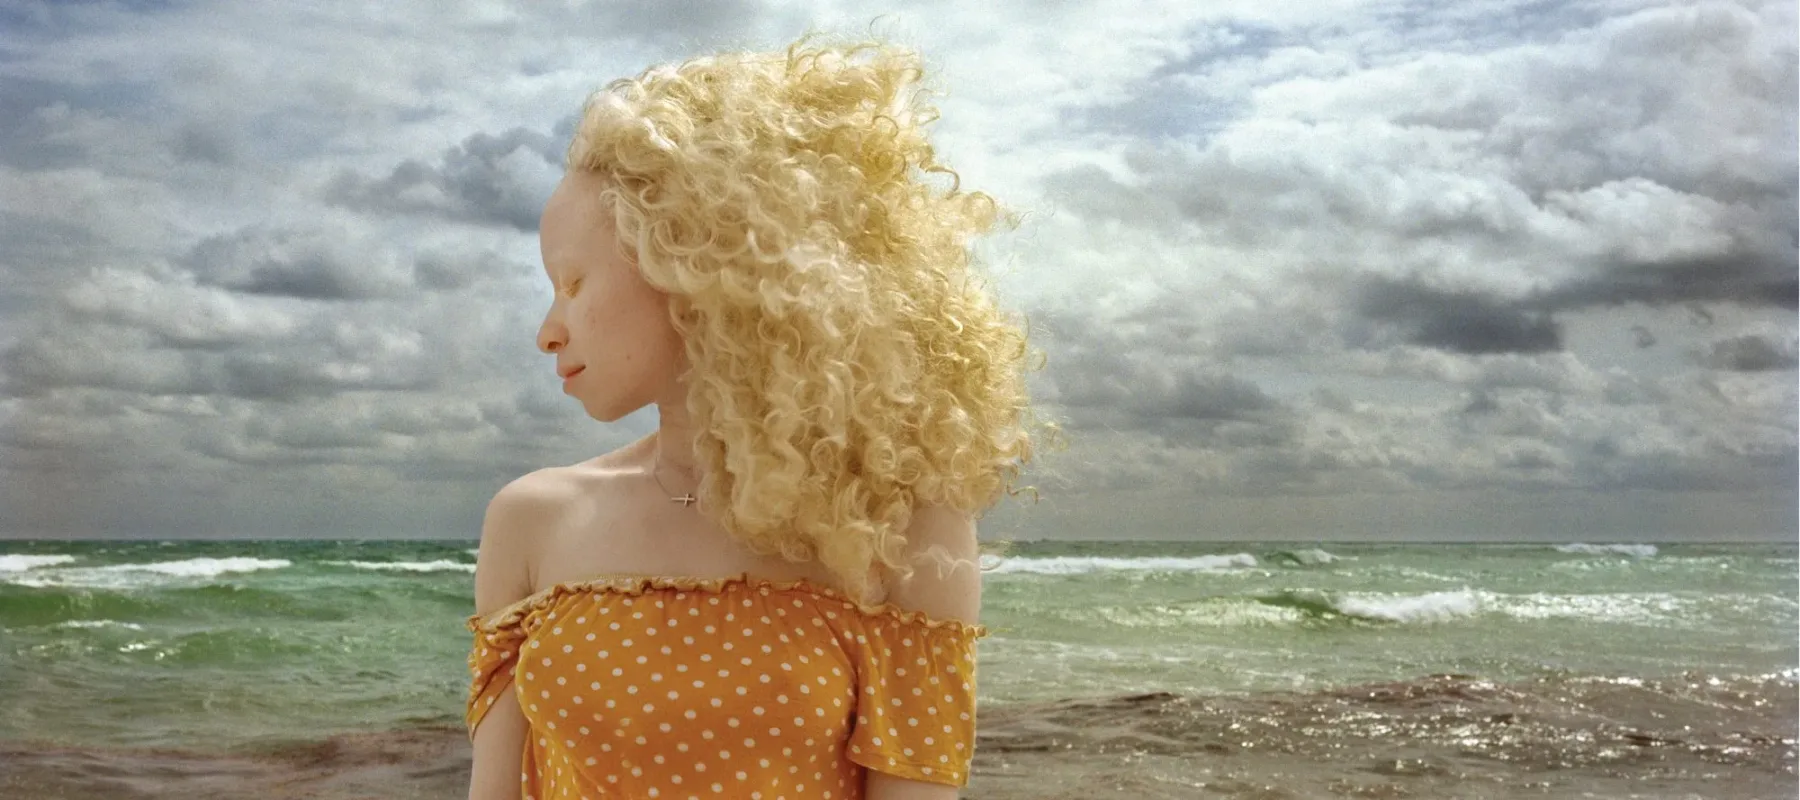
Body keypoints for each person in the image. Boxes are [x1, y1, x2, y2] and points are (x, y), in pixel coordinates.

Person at [464, 29, 1055, 800]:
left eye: (572, 282)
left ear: (697, 264)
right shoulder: (532, 520)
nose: (549, 327)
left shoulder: (901, 527)